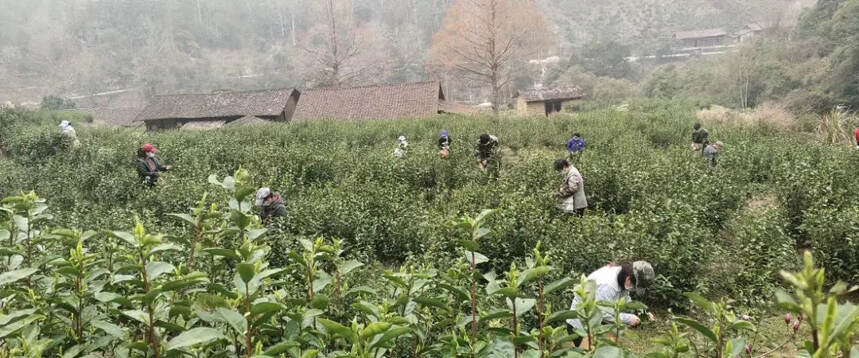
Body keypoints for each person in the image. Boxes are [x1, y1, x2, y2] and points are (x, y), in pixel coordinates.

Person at [566, 261, 656, 349]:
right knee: (588, 354)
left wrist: (642, 313)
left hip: (595, 324)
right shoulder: (608, 285)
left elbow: (625, 301)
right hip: (581, 325)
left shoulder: (622, 277)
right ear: (628, 279)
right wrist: (628, 318)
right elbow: (603, 313)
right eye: (634, 285)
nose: (633, 289)